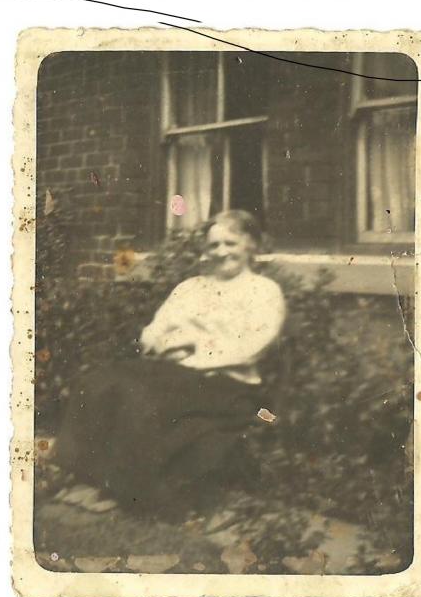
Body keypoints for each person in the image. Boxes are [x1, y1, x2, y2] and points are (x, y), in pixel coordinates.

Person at [54, 210, 286, 517]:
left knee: (142, 400)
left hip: (229, 384)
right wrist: (162, 344)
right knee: (98, 382)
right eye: (213, 245)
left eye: (230, 243)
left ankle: (133, 493)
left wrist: (195, 353)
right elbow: (153, 331)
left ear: (251, 245)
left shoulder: (263, 291)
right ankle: (87, 476)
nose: (221, 252)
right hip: (176, 371)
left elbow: (253, 348)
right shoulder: (191, 287)